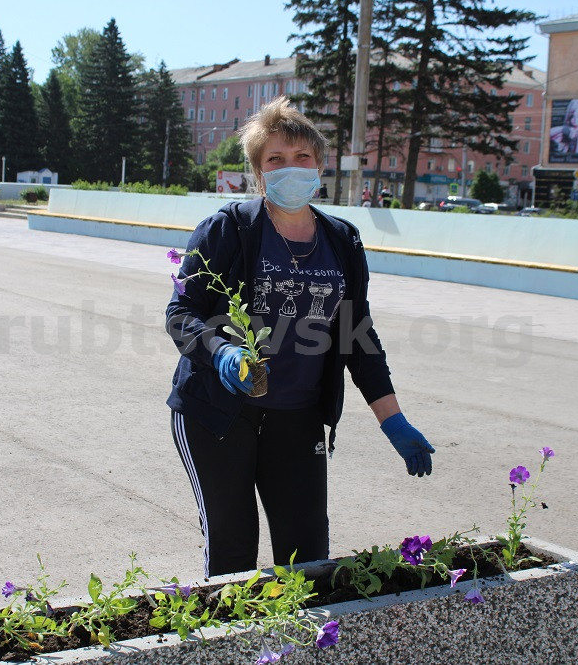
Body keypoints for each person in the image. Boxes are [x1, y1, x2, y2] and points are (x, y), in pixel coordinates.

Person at [166, 96, 434, 578]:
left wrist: (392, 419)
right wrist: (221, 353)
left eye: (302, 156)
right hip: (218, 414)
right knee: (232, 550)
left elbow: (357, 336)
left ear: (319, 165)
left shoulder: (342, 240)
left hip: (298, 417)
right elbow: (180, 313)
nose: (290, 167)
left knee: (308, 556)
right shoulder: (228, 230)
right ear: (259, 172)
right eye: (276, 159)